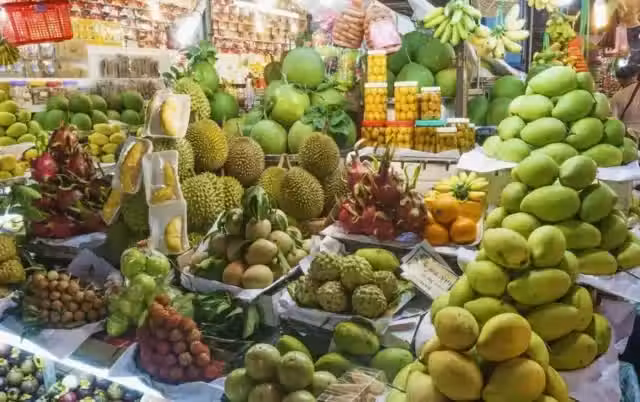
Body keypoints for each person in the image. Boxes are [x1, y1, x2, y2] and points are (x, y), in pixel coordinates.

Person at [611, 63, 640, 132]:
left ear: (620, 79)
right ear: (635, 76)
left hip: (628, 132)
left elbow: (614, 120)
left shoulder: (617, 96)